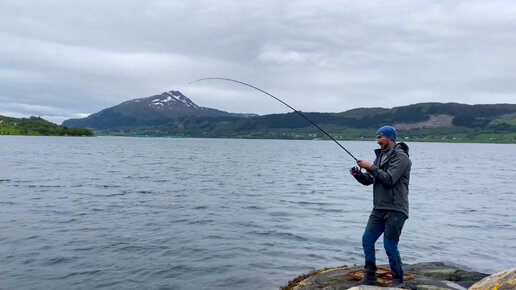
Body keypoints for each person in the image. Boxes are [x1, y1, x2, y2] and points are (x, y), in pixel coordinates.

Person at [350, 125, 411, 288]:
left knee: (389, 246)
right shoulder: (380, 157)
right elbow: (371, 180)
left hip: (396, 210)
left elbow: (389, 179)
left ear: (390, 138)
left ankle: (398, 281)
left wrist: (370, 167)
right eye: (376, 137)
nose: (377, 140)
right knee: (367, 240)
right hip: (379, 209)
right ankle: (370, 276)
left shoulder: (402, 157)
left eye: (379, 137)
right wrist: (359, 175)